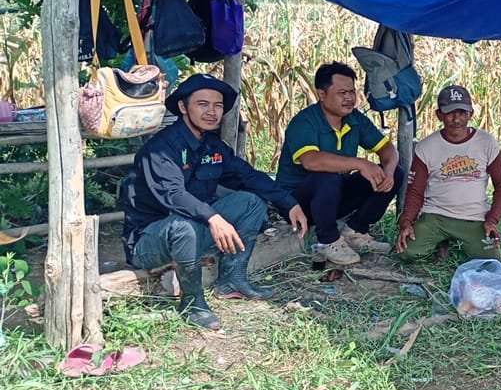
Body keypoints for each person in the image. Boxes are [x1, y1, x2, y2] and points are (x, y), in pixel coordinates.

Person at [122, 74, 308, 330]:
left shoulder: (212, 145)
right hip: (150, 240)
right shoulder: (161, 149)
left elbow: (247, 175)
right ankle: (193, 302)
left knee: (251, 201)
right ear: (183, 107)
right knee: (182, 227)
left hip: (196, 229)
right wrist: (214, 218)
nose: (211, 111)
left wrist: (290, 204)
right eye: (202, 104)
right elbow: (174, 195)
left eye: (217, 105)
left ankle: (232, 279)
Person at [276, 62, 402, 266]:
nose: (349, 98)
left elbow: (388, 150)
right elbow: (311, 161)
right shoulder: (305, 121)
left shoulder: (355, 119)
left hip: (332, 197)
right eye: (342, 92)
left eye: (352, 92)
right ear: (322, 94)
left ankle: (355, 231)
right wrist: (361, 163)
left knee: (396, 172)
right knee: (327, 176)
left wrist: (387, 171)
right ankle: (328, 240)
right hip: (297, 203)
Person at [395, 85, 501, 262]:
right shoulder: (426, 146)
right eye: (450, 113)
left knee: (492, 261)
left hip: (474, 217)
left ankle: (450, 241)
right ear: (439, 115)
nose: (456, 119)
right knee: (407, 252)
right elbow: (415, 191)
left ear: (470, 114)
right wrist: (407, 223)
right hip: (436, 215)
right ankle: (441, 241)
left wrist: (492, 220)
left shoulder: (486, 142)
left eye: (462, 112)